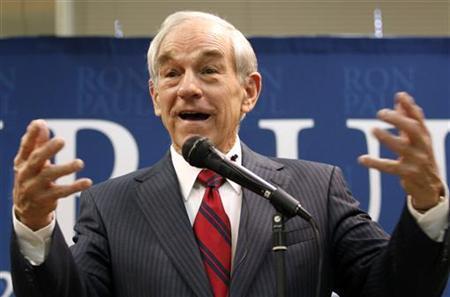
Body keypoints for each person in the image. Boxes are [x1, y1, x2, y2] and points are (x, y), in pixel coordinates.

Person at [10, 11, 449, 297]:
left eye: (208, 69)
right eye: (171, 73)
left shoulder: (315, 190)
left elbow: (394, 290)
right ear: (155, 96)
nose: (188, 87)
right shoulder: (111, 206)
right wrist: (34, 227)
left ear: (249, 92)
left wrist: (427, 206)